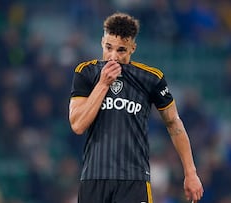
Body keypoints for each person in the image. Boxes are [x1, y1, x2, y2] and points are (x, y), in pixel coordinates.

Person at [69, 12, 203, 203]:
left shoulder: (151, 78)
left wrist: (191, 173)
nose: (113, 56)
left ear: (133, 48)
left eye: (121, 50)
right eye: (109, 47)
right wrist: (103, 84)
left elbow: (174, 124)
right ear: (102, 42)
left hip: (134, 179)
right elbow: (77, 125)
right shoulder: (86, 73)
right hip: (94, 178)